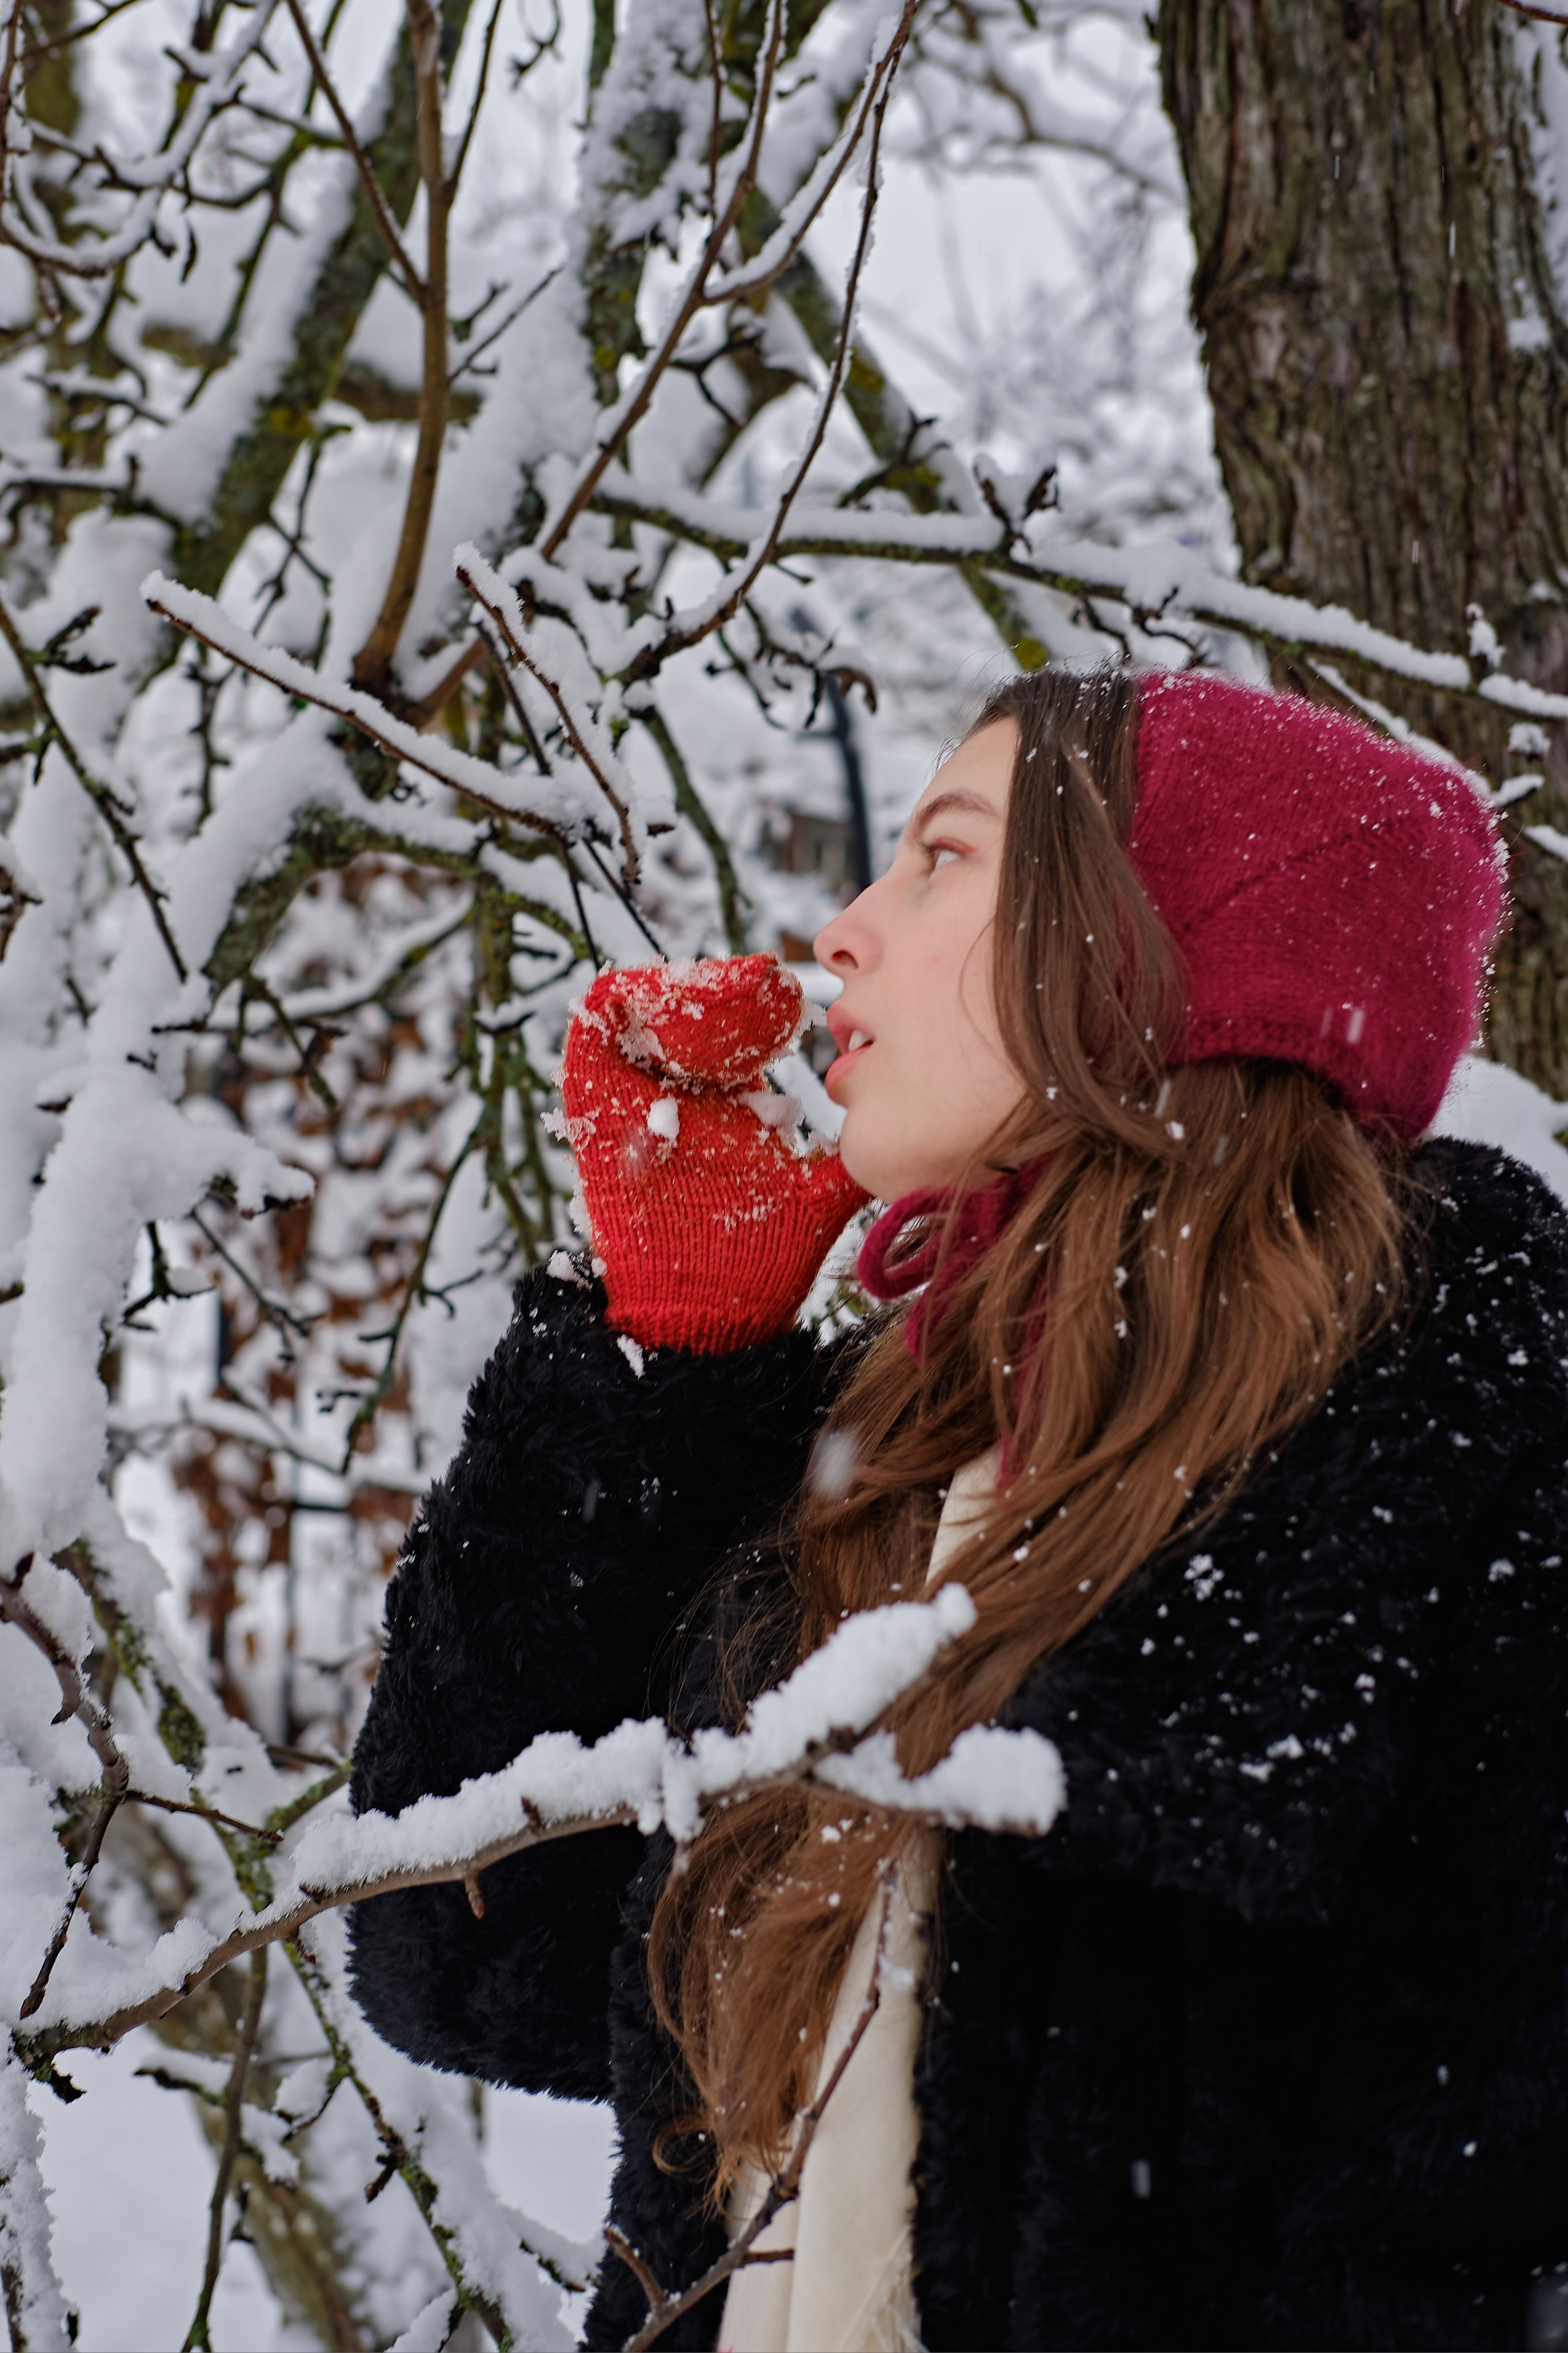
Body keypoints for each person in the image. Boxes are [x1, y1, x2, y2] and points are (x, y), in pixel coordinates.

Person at [347, 664, 1568, 2352]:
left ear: (1163, 940)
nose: (843, 929)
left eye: (945, 855)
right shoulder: (903, 1477)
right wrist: (673, 1360)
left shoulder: (1469, 1456)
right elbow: (472, 1956)